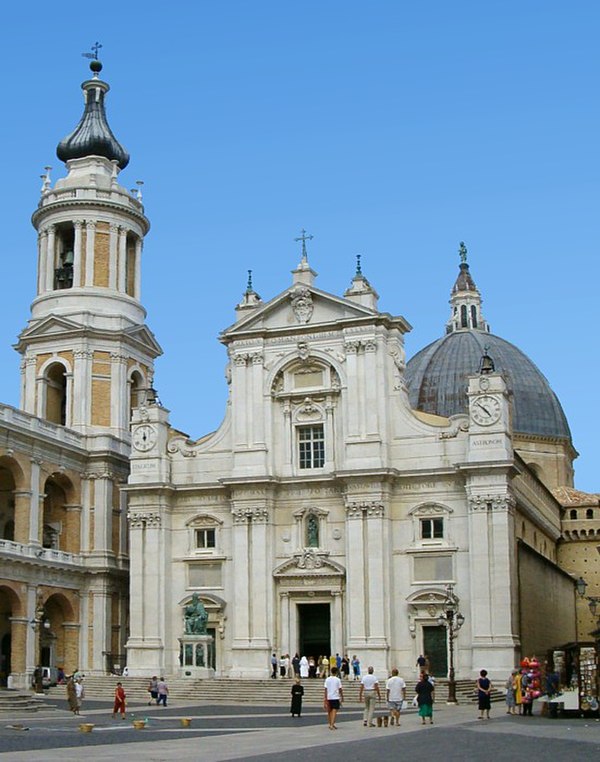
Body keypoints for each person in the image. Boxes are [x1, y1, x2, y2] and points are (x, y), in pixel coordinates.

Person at [323, 666, 343, 730]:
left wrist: (325, 698)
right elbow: (340, 689)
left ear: (331, 672)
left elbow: (325, 689)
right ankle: (332, 724)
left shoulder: (327, 679)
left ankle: (330, 724)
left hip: (329, 697)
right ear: (336, 672)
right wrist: (342, 696)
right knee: (334, 711)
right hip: (335, 697)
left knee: (329, 711)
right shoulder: (338, 680)